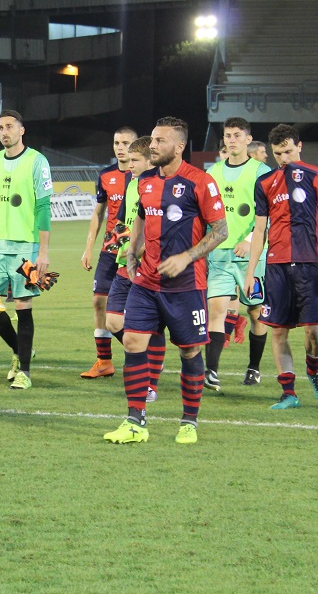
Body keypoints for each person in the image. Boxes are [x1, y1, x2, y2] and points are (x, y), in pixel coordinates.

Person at [104, 117, 226, 445]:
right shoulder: (145, 182)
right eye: (153, 139)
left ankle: (189, 422)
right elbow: (142, 216)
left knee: (189, 352)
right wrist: (132, 252)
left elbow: (221, 230)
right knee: (132, 341)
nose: (153, 145)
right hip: (147, 282)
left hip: (186, 286)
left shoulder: (200, 182)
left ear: (179, 146)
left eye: (160, 141)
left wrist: (187, 257)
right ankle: (135, 421)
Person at [244, 124, 318, 410]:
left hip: (311, 264)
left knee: (314, 330)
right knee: (278, 331)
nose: (284, 158)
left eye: (288, 151)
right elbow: (259, 231)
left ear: (300, 146)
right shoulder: (265, 183)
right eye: (278, 153)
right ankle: (288, 393)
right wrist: (251, 272)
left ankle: (314, 369)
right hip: (277, 266)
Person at [0, 110, 52, 390]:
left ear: (22, 130)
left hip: (27, 248)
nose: (4, 132)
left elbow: (43, 207)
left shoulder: (37, 161)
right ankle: (20, 349)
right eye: (0, 128)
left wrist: (43, 252)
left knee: (23, 305)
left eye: (10, 127)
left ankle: (24, 371)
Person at [203, 117, 271, 390]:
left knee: (255, 312)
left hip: (252, 256)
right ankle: (211, 371)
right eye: (227, 135)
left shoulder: (261, 171)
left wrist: (251, 239)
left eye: (237, 135)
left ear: (248, 139)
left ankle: (254, 367)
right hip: (219, 254)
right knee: (217, 309)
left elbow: (270, 213)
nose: (231, 140)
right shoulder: (213, 172)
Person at [102, 137, 166, 404]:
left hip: (149, 268)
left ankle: (150, 383)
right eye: (128, 160)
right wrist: (113, 249)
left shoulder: (160, 186)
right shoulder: (132, 184)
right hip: (124, 264)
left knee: (154, 328)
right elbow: (124, 223)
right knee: (112, 321)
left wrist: (138, 252)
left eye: (135, 160)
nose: (129, 165)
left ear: (150, 160)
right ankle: (148, 356)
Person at [81, 126, 137, 378]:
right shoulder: (106, 175)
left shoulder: (144, 176)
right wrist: (88, 249)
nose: (120, 148)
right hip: (111, 247)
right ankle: (104, 361)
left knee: (136, 306)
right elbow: (98, 213)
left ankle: (141, 352)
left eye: (126, 143)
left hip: (136, 250)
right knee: (98, 301)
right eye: (117, 143)